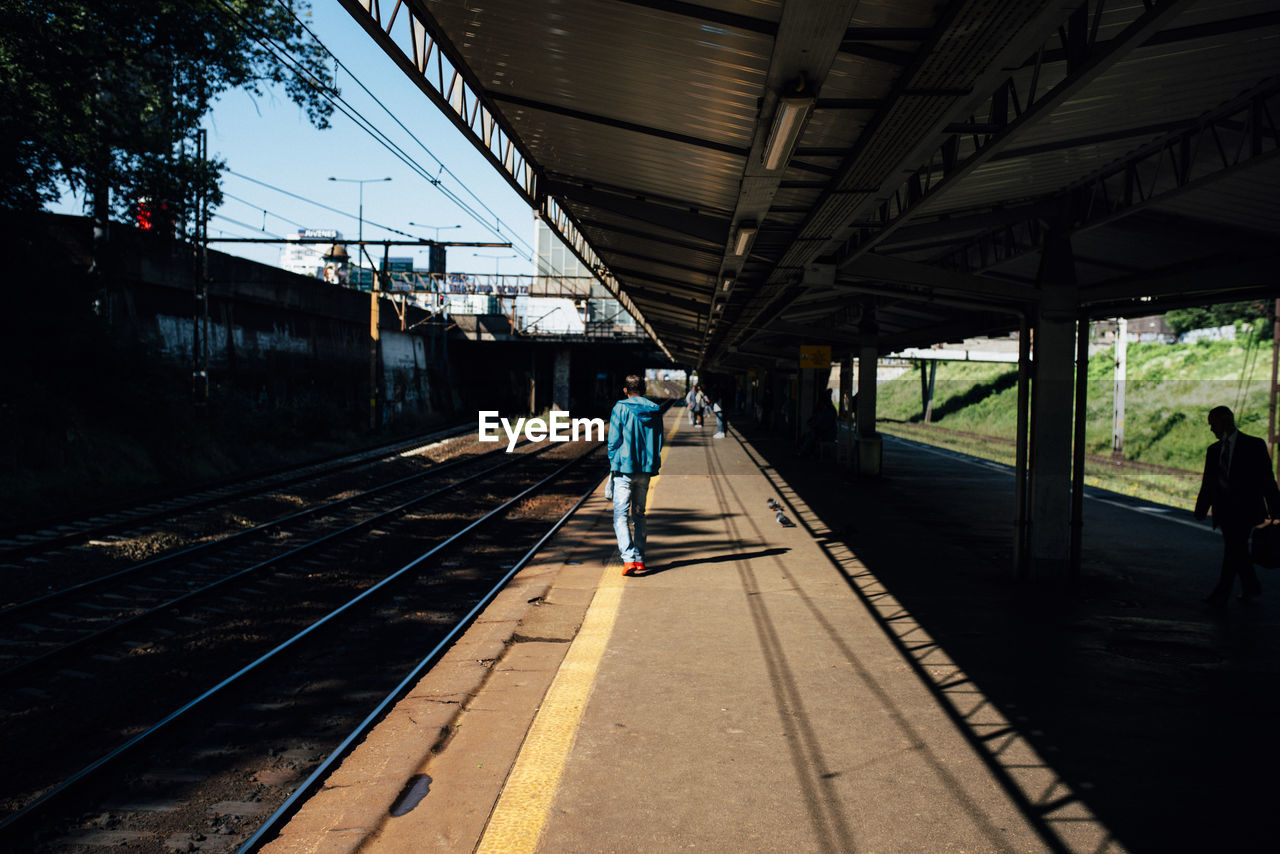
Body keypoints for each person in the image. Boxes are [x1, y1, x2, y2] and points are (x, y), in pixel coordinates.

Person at [1194, 405, 1280, 605]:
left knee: (1234, 548)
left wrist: (1276, 508)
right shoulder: (1214, 451)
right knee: (1237, 549)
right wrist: (1201, 509)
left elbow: (1267, 479)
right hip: (1224, 511)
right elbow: (1209, 483)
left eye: (1212, 424)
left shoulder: (1254, 445)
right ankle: (1251, 586)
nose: (1210, 429)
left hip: (1245, 510)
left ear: (1224, 422)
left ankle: (1221, 593)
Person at [609, 374, 663, 576]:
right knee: (639, 514)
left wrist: (614, 462)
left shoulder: (620, 408)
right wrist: (652, 463)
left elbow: (614, 440)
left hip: (624, 470)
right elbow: (659, 440)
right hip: (645, 471)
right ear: (645, 388)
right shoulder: (655, 410)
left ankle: (629, 559)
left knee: (620, 515)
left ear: (625, 390)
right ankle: (640, 559)